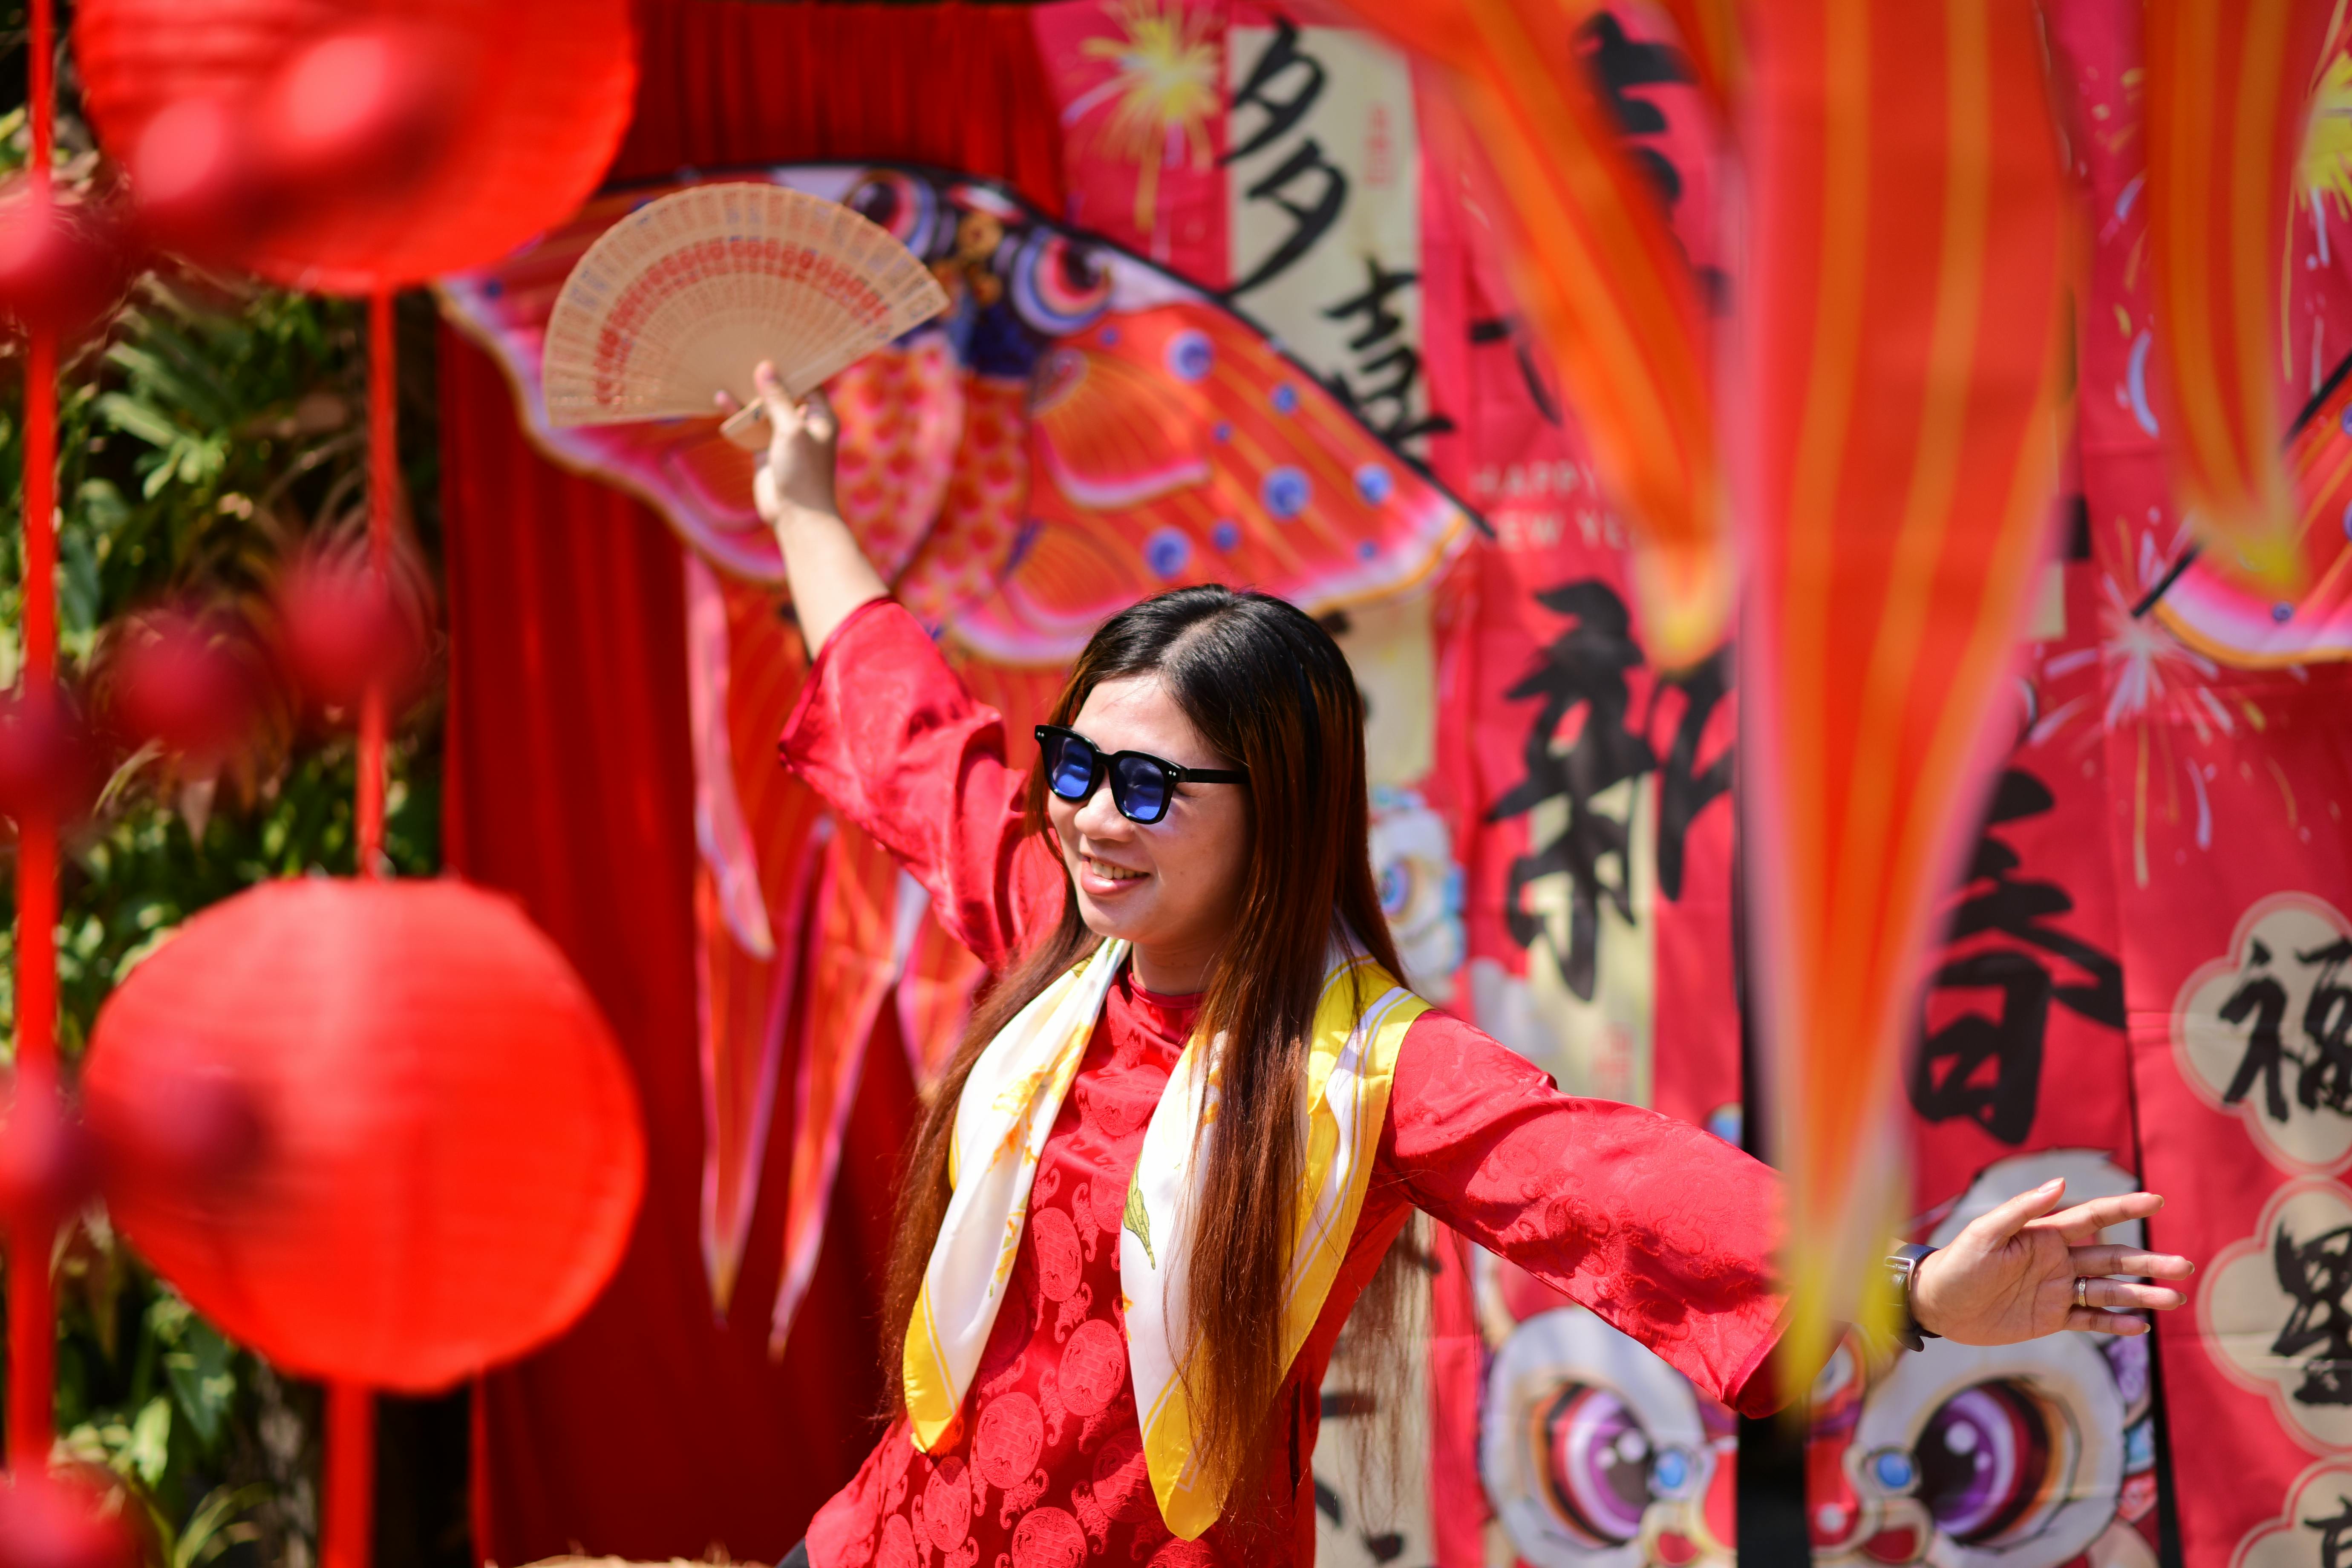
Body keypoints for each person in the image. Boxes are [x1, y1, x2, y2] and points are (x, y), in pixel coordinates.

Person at [739, 364, 2196, 1568]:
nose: (1084, 817)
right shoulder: (1054, 945)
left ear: (1279, 813)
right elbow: (903, 725)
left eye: (1148, 786)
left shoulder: (1358, 1070)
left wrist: (1908, 1291)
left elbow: (1613, 1182)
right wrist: (803, 500)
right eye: (1074, 765)